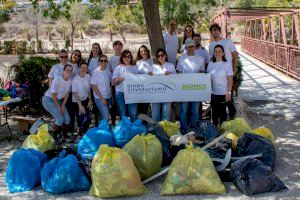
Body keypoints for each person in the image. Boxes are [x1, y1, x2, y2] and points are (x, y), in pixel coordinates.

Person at [209, 23, 238, 119]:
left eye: (216, 29)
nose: (215, 31)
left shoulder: (227, 42)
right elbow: (211, 59)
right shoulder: (211, 45)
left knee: (228, 96)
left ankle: (232, 116)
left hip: (227, 72)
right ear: (211, 32)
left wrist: (234, 69)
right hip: (217, 73)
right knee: (221, 100)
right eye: (213, 30)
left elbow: (235, 55)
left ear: (220, 31)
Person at [176, 39, 205, 133]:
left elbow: (202, 73)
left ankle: (194, 130)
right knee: (183, 110)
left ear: (195, 47)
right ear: (186, 48)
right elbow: (178, 73)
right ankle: (184, 129)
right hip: (184, 89)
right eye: (189, 47)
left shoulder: (200, 59)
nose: (191, 48)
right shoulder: (181, 59)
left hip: (196, 90)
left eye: (192, 46)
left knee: (195, 111)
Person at [42, 64, 73, 141]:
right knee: (60, 119)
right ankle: (54, 136)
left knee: (67, 119)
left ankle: (64, 136)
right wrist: (59, 108)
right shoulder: (57, 80)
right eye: (67, 70)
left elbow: (67, 95)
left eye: (70, 70)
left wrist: (62, 106)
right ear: (63, 71)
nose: (68, 72)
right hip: (48, 99)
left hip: (59, 100)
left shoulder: (70, 81)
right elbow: (53, 96)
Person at [207, 45, 233, 126]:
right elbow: (207, 78)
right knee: (214, 114)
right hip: (213, 93)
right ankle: (214, 133)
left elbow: (230, 80)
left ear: (223, 53)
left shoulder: (226, 64)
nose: (217, 53)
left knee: (223, 115)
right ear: (213, 53)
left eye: (219, 51)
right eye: (216, 51)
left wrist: (228, 92)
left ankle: (222, 133)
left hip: (223, 93)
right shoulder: (210, 64)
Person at [149, 48, 176, 122]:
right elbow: (148, 80)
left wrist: (171, 74)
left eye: (162, 55)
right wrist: (149, 75)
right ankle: (156, 132)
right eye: (158, 56)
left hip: (167, 94)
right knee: (155, 116)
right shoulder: (153, 67)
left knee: (166, 116)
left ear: (165, 56)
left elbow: (176, 80)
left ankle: (165, 132)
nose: (160, 57)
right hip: (155, 94)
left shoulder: (171, 66)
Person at [112, 50, 138, 122]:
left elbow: (140, 79)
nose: (127, 58)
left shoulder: (134, 68)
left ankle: (133, 130)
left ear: (131, 58)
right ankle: (124, 130)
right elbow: (113, 82)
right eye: (125, 56)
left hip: (132, 93)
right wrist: (118, 80)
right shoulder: (118, 68)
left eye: (129, 56)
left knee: (133, 113)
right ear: (122, 58)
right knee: (123, 113)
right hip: (120, 93)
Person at [72, 62, 93, 135]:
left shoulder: (88, 77)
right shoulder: (75, 79)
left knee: (89, 118)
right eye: (82, 67)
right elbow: (75, 94)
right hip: (77, 102)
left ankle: (85, 132)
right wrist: (80, 106)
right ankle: (80, 134)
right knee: (81, 119)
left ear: (87, 69)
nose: (84, 69)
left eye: (85, 68)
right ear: (79, 68)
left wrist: (90, 100)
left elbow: (89, 90)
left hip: (86, 100)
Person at [91, 55, 112, 121]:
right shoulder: (95, 72)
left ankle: (103, 130)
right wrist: (102, 98)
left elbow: (110, 85)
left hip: (108, 97)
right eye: (101, 61)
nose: (103, 62)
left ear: (107, 62)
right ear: (98, 62)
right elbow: (94, 87)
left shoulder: (108, 72)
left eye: (105, 61)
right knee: (106, 116)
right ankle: (103, 129)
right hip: (99, 97)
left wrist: (112, 97)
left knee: (104, 116)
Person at [87, 43, 103, 126]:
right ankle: (94, 122)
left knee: (99, 104)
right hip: (91, 86)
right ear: (92, 49)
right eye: (94, 48)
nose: (95, 49)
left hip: (100, 86)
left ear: (99, 49)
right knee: (93, 105)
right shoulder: (89, 60)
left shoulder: (101, 59)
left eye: (97, 48)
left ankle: (100, 123)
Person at [66, 49, 82, 131]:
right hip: (66, 92)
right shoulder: (66, 64)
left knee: (75, 110)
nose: (76, 56)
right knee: (69, 112)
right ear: (72, 54)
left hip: (75, 92)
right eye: (75, 54)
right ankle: (69, 129)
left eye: (78, 55)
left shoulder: (79, 67)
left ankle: (77, 128)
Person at [108, 40, 123, 125]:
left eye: (119, 46)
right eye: (115, 46)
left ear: (121, 47)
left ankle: (122, 121)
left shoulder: (124, 57)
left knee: (123, 104)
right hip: (114, 84)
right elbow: (110, 71)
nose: (117, 47)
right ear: (113, 48)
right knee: (114, 103)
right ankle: (113, 122)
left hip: (124, 83)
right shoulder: (111, 59)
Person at [136, 45, 153, 115]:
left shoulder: (152, 61)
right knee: (141, 106)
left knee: (148, 106)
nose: (143, 52)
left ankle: (148, 122)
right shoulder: (138, 62)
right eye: (141, 51)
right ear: (139, 53)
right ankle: (142, 123)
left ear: (147, 51)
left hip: (150, 86)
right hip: (141, 87)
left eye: (144, 50)